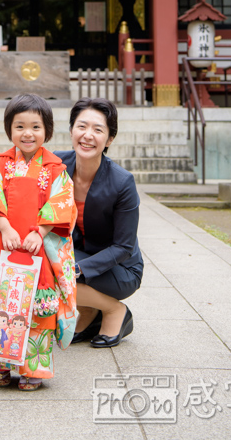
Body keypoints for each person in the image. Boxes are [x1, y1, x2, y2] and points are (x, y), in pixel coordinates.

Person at [0, 93, 77, 391]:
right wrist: (4, 227)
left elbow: (63, 204)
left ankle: (32, 369)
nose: (28, 133)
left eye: (36, 127)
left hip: (37, 249)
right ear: (9, 130)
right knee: (0, 305)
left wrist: (39, 232)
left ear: (47, 131)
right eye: (20, 126)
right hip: (5, 245)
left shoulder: (56, 169)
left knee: (36, 309)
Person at [55, 97, 143, 348]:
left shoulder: (122, 182)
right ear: (71, 130)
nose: (87, 135)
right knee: (40, 261)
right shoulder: (56, 165)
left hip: (120, 269)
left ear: (110, 139)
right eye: (81, 126)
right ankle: (89, 311)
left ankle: (115, 310)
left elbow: (124, 247)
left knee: (56, 271)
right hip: (77, 253)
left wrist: (77, 269)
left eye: (98, 129)